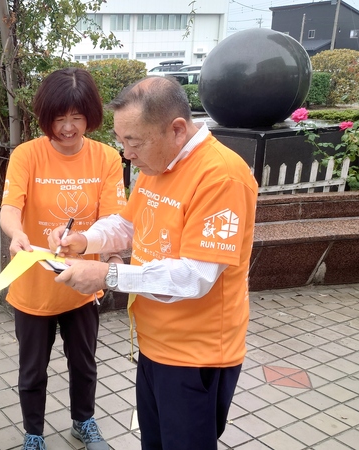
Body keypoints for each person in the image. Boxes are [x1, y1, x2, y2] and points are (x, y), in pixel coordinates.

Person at [50, 76, 257, 450]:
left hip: (197, 355)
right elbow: (127, 224)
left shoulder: (221, 176)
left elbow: (196, 276)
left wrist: (107, 273)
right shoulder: (155, 167)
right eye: (122, 141)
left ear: (177, 130)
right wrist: (84, 240)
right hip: (154, 345)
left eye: (134, 142)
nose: (127, 153)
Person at [0, 67, 127, 450]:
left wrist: (94, 248)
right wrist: (17, 234)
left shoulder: (106, 158)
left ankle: (83, 422)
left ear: (90, 115)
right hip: (34, 286)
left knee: (84, 363)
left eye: (77, 117)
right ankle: (33, 433)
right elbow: (10, 207)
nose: (69, 128)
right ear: (45, 117)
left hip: (81, 283)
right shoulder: (27, 154)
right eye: (59, 118)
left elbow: (114, 220)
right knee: (32, 370)